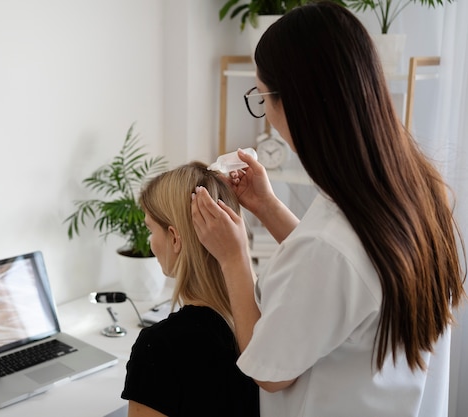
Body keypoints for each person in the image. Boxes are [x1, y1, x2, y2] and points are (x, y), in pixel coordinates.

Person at [191, 2, 466, 417]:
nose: (266, 112)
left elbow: (270, 370)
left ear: (297, 104)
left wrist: (233, 258)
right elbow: (344, 281)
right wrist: (266, 206)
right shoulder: (417, 190)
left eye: (262, 97)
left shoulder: (331, 244)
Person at [121, 162, 260, 417]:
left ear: (175, 238)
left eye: (150, 229)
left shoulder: (160, 347)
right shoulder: (260, 330)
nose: (150, 244)